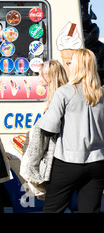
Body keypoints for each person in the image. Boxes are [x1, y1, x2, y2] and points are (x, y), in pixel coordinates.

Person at [38, 49, 104, 213]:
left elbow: (47, 129)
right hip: (98, 162)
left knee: (53, 210)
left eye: (70, 63)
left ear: (76, 67)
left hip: (68, 160)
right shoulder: (101, 94)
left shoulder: (64, 92)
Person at [20, 60, 68, 198]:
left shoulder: (57, 98)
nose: (38, 78)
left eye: (40, 75)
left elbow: (46, 134)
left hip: (56, 161)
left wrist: (33, 165)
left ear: (50, 77)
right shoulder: (63, 95)